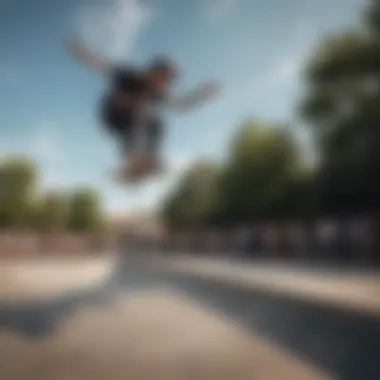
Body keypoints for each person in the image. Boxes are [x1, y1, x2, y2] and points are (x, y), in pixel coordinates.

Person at [68, 39, 220, 181]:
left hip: (128, 122)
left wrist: (201, 94)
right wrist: (83, 53)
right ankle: (131, 155)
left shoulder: (159, 92)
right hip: (111, 113)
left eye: (166, 81)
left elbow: (180, 105)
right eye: (161, 77)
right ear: (151, 71)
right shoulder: (130, 75)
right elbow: (104, 65)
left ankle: (145, 160)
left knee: (157, 123)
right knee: (143, 110)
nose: (162, 83)